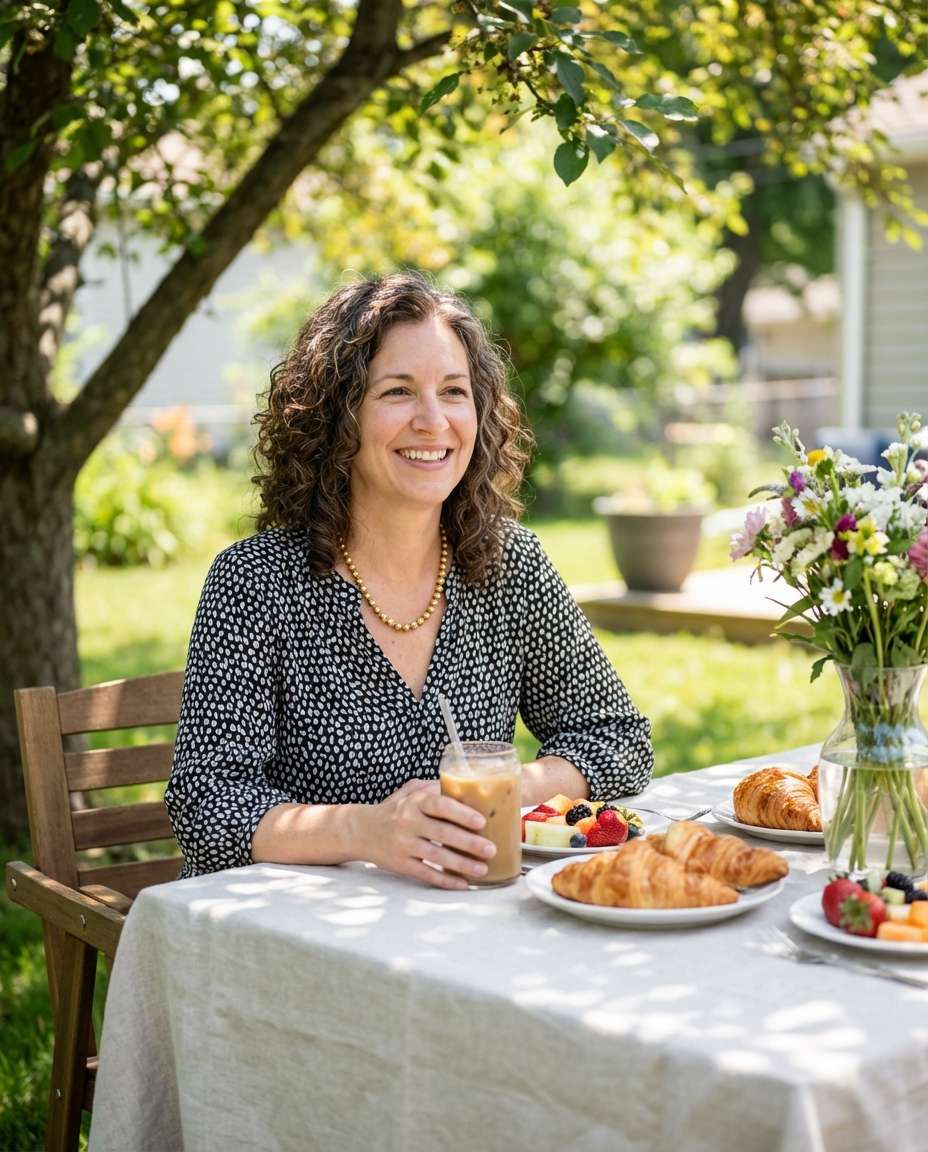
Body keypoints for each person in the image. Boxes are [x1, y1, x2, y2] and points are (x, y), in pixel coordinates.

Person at [165, 271, 653, 889]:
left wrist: (509, 786)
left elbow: (618, 735)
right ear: (337, 418)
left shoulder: (508, 565)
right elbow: (206, 804)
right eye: (398, 392)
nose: (433, 421)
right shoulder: (256, 583)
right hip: (296, 937)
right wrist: (368, 829)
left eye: (453, 391)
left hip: (463, 924)